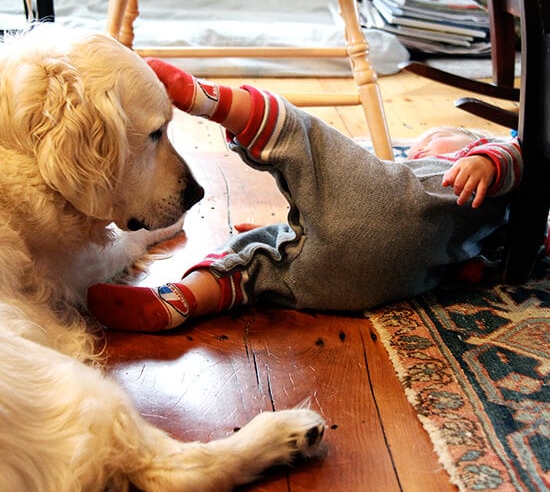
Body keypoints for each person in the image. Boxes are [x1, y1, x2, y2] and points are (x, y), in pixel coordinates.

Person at [87, 61, 523, 333]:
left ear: (468, 143)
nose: (420, 150)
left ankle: (209, 100)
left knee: (302, 139)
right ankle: (175, 301)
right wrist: (276, 230)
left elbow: (524, 150)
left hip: (358, 256)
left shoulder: (467, 166)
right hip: (375, 284)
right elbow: (469, 262)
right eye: (421, 147)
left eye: (432, 143)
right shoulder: (484, 229)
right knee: (254, 260)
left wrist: (490, 158)